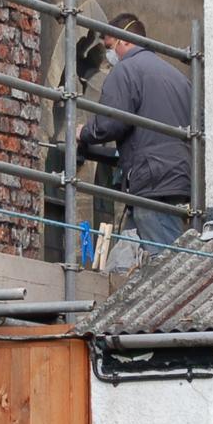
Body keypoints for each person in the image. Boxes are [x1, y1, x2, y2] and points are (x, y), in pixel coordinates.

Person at [78, 13, 191, 256]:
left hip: (151, 178)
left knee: (164, 261)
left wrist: (83, 132)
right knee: (131, 255)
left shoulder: (127, 70)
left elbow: (110, 122)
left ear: (124, 41)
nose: (109, 56)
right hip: (178, 176)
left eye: (109, 47)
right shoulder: (178, 77)